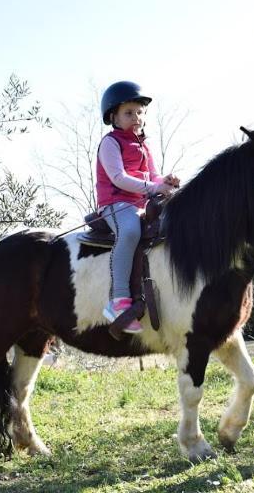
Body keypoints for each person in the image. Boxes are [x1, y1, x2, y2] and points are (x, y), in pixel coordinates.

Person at [96, 81, 179, 334]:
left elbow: (152, 176)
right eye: (128, 113)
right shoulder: (110, 143)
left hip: (140, 202)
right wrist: (153, 188)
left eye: (139, 112)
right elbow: (118, 177)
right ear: (113, 117)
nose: (136, 118)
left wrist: (165, 181)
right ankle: (118, 301)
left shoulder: (144, 145)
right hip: (116, 202)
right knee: (130, 231)